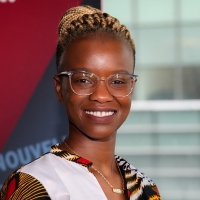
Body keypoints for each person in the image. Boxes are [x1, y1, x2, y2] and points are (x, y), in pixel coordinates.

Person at [0, 5, 162, 200]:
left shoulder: (144, 187)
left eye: (118, 81)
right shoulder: (34, 186)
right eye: (84, 80)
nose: (101, 95)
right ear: (60, 88)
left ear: (132, 87)